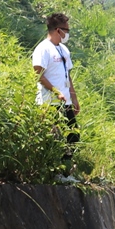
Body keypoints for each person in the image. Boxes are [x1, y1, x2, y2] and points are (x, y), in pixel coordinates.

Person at [32, 12, 79, 166]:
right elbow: (38, 75)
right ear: (58, 30)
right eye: (67, 30)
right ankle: (51, 170)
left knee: (73, 135)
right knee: (53, 138)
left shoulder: (64, 50)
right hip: (49, 103)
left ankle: (64, 170)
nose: (68, 34)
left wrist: (74, 98)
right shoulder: (43, 49)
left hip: (65, 101)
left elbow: (68, 75)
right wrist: (56, 92)